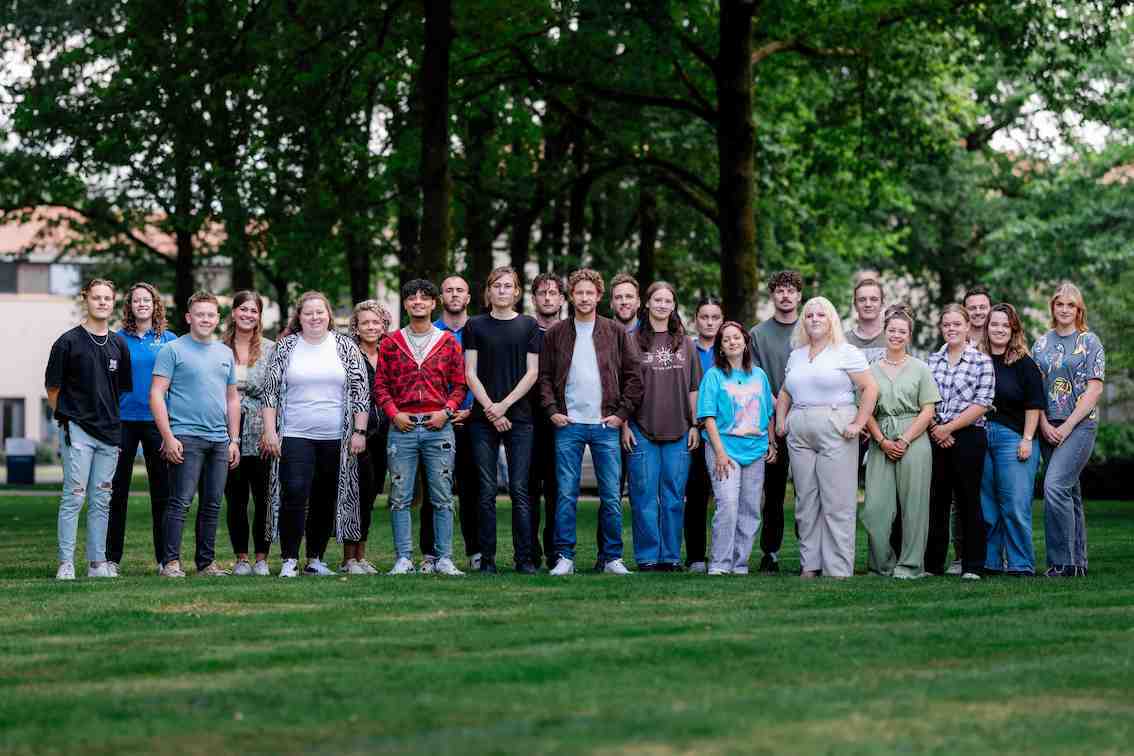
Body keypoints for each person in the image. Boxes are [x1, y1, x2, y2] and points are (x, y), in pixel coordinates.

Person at [538, 268, 643, 576]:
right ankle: (564, 558)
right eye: (579, 292)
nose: (584, 298)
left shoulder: (615, 332)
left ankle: (612, 558)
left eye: (589, 293)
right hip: (568, 425)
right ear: (571, 296)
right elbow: (544, 377)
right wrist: (551, 410)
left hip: (604, 425)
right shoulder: (557, 332)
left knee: (611, 496)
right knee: (565, 495)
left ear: (599, 296)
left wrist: (621, 414)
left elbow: (634, 378)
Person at [261, 291, 369, 578]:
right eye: (308, 312)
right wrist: (270, 431)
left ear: (329, 315)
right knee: (295, 493)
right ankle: (288, 559)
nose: (314, 317)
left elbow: (360, 391)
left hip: (336, 436)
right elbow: (269, 392)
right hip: (295, 434)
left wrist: (359, 431)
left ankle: (315, 559)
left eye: (320, 312)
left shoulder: (345, 347)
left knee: (324, 497)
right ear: (299, 317)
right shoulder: (285, 347)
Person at [776, 296, 878, 579]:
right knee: (806, 501)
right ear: (803, 321)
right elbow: (785, 391)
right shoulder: (797, 353)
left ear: (831, 319)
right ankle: (810, 565)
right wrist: (782, 421)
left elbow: (870, 389)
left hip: (836, 424)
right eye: (809, 316)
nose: (814, 320)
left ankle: (837, 568)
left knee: (837, 501)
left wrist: (859, 423)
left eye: (821, 315)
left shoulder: (846, 351)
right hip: (800, 427)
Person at [373, 279, 469, 576]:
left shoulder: (447, 342)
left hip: (438, 428)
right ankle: (403, 558)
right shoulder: (391, 343)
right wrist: (393, 413)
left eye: (424, 297)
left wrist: (447, 411)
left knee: (441, 496)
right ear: (405, 304)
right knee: (400, 497)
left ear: (432, 303)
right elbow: (380, 385)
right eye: (412, 297)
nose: (418, 301)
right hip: (401, 428)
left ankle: (444, 558)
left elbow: (459, 384)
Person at [46, 279, 134, 580]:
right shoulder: (67, 342)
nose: (102, 303)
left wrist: (106, 418)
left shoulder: (119, 344)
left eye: (107, 298)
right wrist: (68, 419)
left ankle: (98, 563)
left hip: (109, 433)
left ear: (113, 302)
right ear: (87, 299)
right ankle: (66, 563)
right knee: (74, 496)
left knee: (102, 498)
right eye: (96, 297)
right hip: (77, 429)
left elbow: (120, 390)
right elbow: (53, 389)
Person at [150, 291, 240, 578]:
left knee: (213, 504)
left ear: (218, 319)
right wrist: (168, 436)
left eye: (211, 314)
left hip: (218, 440)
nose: (205, 319)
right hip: (185, 437)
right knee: (180, 502)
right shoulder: (173, 350)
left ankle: (206, 563)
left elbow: (232, 399)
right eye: (199, 314)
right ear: (189, 317)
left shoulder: (225, 353)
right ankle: (171, 563)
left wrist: (233, 439)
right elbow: (156, 394)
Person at [464, 267, 541, 574]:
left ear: (516, 292)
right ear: (488, 291)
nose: (502, 291)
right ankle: (488, 560)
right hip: (483, 421)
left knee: (520, 489)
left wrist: (504, 406)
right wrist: (490, 409)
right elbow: (470, 372)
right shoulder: (475, 325)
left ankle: (524, 559)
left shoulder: (528, 325)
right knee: (485, 491)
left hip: (520, 419)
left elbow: (532, 372)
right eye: (496, 285)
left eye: (508, 286)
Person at [624, 281, 701, 571]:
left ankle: (669, 557)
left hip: (680, 431)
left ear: (674, 306)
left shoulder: (686, 343)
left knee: (672, 499)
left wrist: (695, 425)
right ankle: (646, 557)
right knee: (644, 498)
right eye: (657, 299)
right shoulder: (631, 341)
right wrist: (624, 425)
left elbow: (694, 388)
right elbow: (623, 388)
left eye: (668, 300)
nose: (662, 305)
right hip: (641, 429)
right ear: (647, 304)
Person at [1032, 282, 1105, 578]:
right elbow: (1035, 391)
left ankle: (1061, 563)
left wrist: (1069, 425)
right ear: (1053, 308)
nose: (1064, 310)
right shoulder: (1040, 344)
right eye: (1059, 304)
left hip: (1080, 425)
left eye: (1070, 305)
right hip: (1049, 426)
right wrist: (1045, 425)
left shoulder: (1090, 342)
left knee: (1054, 487)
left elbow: (1094, 389)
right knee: (1070, 492)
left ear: (1079, 309)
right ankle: (1077, 563)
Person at [861, 305, 940, 578]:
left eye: (902, 331)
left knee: (915, 507)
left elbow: (928, 410)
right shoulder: (869, 370)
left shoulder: (920, 368)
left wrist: (905, 440)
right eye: (892, 330)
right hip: (880, 436)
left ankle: (909, 566)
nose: (896, 335)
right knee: (875, 508)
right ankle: (881, 565)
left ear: (909, 336)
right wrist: (882, 440)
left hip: (914, 436)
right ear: (884, 333)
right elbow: (865, 410)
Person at [105, 282, 175, 576]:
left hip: (157, 423)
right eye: (137, 301)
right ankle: (111, 559)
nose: (142, 304)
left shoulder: (170, 340)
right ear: (130, 306)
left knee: (162, 493)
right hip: (123, 422)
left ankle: (165, 560)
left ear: (155, 304)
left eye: (147, 300)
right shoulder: (116, 339)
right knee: (116, 491)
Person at [697, 322, 776, 575]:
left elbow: (769, 412)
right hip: (724, 450)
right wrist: (719, 453)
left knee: (750, 509)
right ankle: (720, 564)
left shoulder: (759, 375)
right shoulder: (713, 376)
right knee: (728, 504)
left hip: (755, 451)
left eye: (736, 337)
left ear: (745, 341)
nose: (732, 342)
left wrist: (771, 442)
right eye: (726, 339)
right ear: (720, 347)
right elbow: (707, 416)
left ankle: (740, 563)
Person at [926, 304, 994, 579]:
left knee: (968, 501)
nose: (951, 329)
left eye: (957, 324)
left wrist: (949, 428)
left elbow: (982, 403)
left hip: (969, 436)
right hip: (934, 434)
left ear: (967, 327)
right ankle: (932, 565)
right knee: (937, 502)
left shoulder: (981, 361)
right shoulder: (931, 361)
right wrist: (935, 428)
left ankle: (972, 565)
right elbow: (925, 400)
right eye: (946, 325)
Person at [980, 303, 1045, 576]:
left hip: (1015, 438)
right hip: (981, 435)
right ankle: (991, 562)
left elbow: (1035, 404)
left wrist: (1028, 439)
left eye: (1005, 325)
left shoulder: (1024, 363)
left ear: (1014, 329)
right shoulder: (977, 359)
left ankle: (1020, 564)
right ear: (987, 327)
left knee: (1015, 505)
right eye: (994, 324)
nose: (999, 329)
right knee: (987, 506)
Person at [422, 275, 478, 572]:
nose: (454, 295)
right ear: (440, 298)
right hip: (434, 422)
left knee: (474, 489)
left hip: (472, 419)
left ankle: (476, 550)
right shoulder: (429, 333)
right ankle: (430, 554)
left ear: (468, 297)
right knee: (434, 489)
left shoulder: (479, 330)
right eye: (448, 291)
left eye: (460, 290)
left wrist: (474, 410)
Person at [749, 270, 802, 573]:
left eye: (791, 290)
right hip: (772, 421)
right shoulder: (758, 334)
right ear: (773, 295)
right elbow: (756, 379)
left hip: (806, 418)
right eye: (780, 290)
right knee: (774, 491)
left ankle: (810, 551)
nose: (785, 295)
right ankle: (770, 551)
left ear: (799, 296)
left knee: (809, 490)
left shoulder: (809, 329)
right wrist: (779, 409)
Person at [222, 290, 276, 576]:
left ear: (259, 315)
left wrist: (272, 431)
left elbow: (276, 392)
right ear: (233, 312)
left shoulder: (270, 348)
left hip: (261, 429)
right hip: (228, 429)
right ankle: (241, 558)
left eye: (253, 310)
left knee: (264, 497)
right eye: (242, 309)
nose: (247, 314)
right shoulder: (219, 347)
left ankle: (262, 558)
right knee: (236, 498)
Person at [342, 299, 394, 575]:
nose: (371, 327)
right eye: (366, 323)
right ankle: (348, 558)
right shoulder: (349, 354)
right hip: (356, 433)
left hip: (386, 432)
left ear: (384, 325)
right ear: (357, 327)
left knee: (372, 493)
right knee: (356, 493)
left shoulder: (390, 352)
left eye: (376, 322)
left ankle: (361, 557)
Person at [528, 272, 565, 569]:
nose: (548, 298)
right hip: (527, 421)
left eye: (554, 293)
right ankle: (529, 551)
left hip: (560, 421)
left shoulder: (570, 332)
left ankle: (556, 550)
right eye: (543, 293)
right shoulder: (525, 330)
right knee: (527, 489)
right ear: (534, 298)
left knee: (557, 488)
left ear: (562, 299)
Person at [684, 295, 723, 573]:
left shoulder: (731, 350)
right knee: (696, 495)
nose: (709, 322)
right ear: (696, 320)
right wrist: (692, 425)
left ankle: (726, 555)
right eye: (704, 317)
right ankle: (696, 556)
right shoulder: (687, 350)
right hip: (697, 432)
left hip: (729, 434)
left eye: (715, 317)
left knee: (727, 498)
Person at [845, 277, 887, 364]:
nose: (868, 304)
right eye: (862, 300)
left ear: (882, 304)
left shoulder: (895, 338)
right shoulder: (843, 341)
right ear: (855, 305)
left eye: (874, 299)